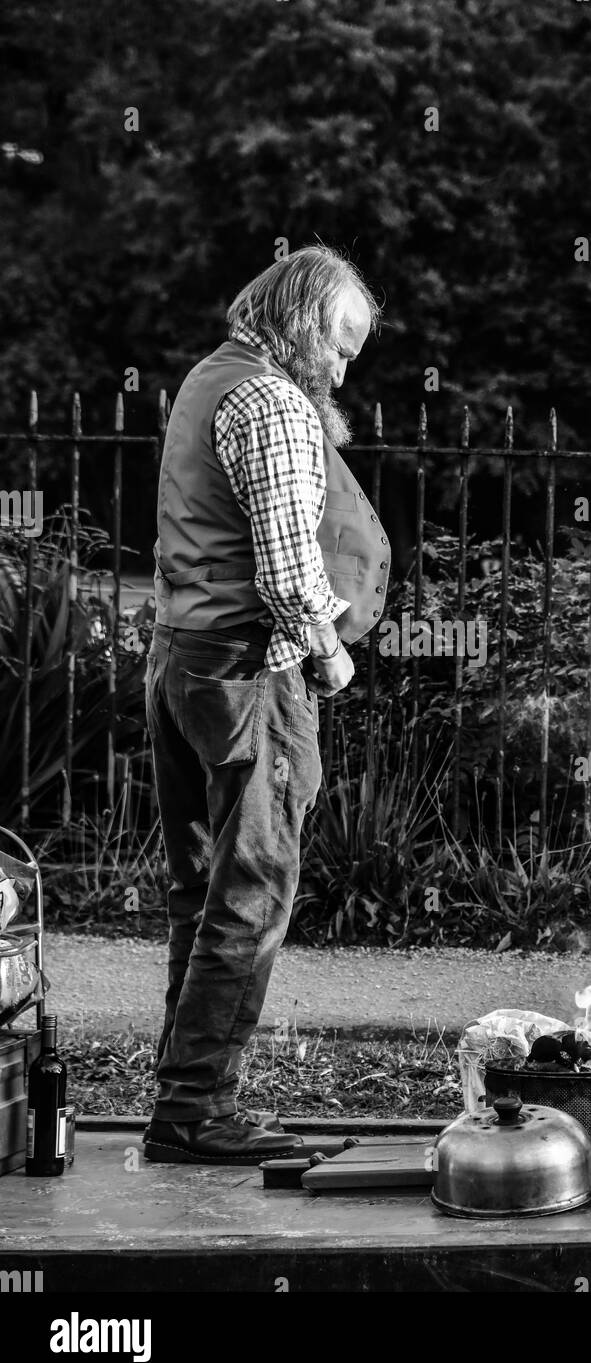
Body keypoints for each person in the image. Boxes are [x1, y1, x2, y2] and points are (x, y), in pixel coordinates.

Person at [142, 246, 390, 1163]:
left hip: (183, 659)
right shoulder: (273, 401)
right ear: (302, 322)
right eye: (340, 345)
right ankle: (198, 1109)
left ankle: (184, 1101)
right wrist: (331, 658)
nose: (341, 367)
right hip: (251, 672)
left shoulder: (209, 378)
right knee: (251, 891)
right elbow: (290, 573)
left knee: (201, 891)